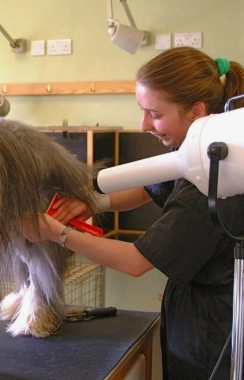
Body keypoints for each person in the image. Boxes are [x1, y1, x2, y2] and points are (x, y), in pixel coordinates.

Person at [22, 46, 244, 380]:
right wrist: (95, 201)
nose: (142, 126)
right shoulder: (203, 152)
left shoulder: (214, 182)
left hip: (213, 333)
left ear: (196, 111)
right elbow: (148, 184)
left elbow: (136, 261)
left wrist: (56, 233)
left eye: (154, 114)